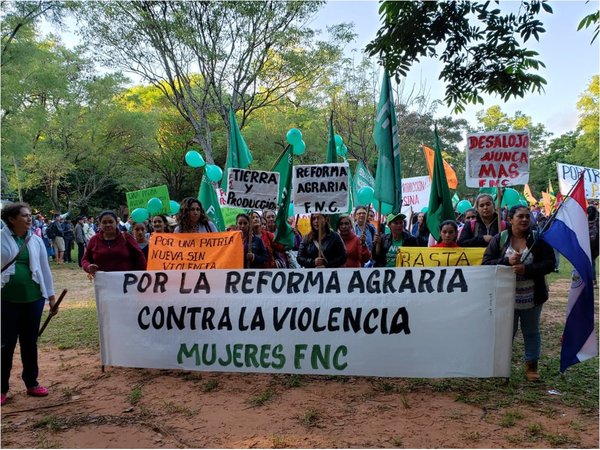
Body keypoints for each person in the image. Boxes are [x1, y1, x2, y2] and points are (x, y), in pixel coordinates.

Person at [483, 205, 555, 381]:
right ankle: (502, 369)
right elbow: (486, 263)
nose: (524, 220)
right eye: (520, 216)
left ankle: (531, 368)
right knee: (507, 333)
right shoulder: (500, 239)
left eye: (527, 216)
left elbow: (550, 263)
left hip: (533, 295)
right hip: (505, 297)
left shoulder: (538, 240)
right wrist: (506, 261)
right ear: (510, 219)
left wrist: (527, 269)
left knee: (531, 331)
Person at [1, 202, 58, 405]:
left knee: (29, 342)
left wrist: (51, 297)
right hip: (6, 301)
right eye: (24, 216)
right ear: (11, 219)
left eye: (29, 215)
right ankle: (2, 388)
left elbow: (44, 269)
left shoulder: (35, 239)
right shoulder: (0, 238)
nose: (29, 218)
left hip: (34, 299)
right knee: (5, 345)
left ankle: (31, 382)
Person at [81, 210, 146, 276]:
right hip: (103, 282)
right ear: (100, 224)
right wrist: (88, 267)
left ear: (116, 223)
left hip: (127, 282)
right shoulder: (94, 240)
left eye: (111, 222)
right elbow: (85, 259)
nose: (108, 225)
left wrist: (142, 275)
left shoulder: (126, 237)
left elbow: (139, 255)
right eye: (104, 222)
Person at [588, 205, 599, 287]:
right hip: (596, 247)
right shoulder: (598, 222)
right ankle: (592, 280)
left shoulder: (585, 222)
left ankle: (592, 280)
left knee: (591, 263)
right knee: (592, 262)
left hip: (590, 246)